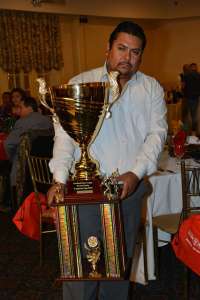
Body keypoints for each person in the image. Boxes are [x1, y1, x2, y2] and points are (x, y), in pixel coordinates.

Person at [47, 21, 167, 300]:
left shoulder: (151, 88)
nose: (127, 57)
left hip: (128, 193)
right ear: (108, 50)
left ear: (141, 56)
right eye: (121, 48)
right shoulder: (80, 83)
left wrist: (136, 173)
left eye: (135, 52)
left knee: (117, 269)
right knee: (82, 270)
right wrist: (59, 179)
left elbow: (156, 135)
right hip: (84, 192)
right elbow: (65, 137)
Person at [4, 96, 53, 197]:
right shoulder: (48, 120)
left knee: (10, 167)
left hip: (25, 171)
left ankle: (16, 207)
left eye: (21, 107)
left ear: (29, 108)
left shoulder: (22, 122)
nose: (19, 111)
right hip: (47, 170)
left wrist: (12, 158)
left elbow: (8, 144)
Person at [182, 63, 200, 134]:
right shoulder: (199, 75)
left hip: (187, 98)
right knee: (195, 116)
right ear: (196, 68)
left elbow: (183, 86)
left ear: (190, 68)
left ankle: (185, 132)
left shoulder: (186, 76)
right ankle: (194, 132)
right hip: (196, 98)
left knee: (186, 117)